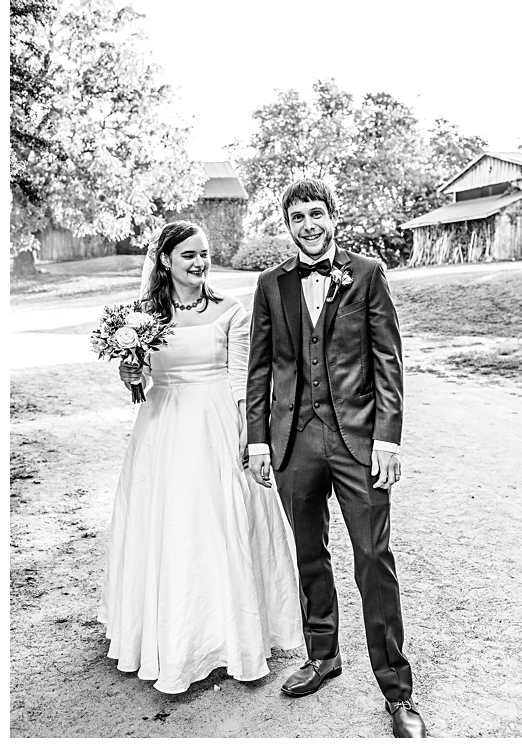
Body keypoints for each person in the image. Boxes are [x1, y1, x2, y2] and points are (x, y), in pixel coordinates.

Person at [245, 179, 425, 738]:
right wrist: (257, 439)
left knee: (374, 556)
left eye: (316, 213)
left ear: (333, 216)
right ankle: (323, 656)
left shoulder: (368, 274)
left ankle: (397, 692)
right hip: (294, 442)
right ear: (288, 224)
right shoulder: (270, 285)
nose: (308, 224)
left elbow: (388, 362)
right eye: (297, 216)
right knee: (308, 554)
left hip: (358, 441)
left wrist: (389, 439)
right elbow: (258, 368)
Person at [103, 220, 302, 694]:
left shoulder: (230, 310)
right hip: (164, 428)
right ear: (166, 260)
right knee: (170, 528)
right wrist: (131, 375)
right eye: (188, 254)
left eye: (205, 253)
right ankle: (170, 635)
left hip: (216, 423)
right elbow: (141, 384)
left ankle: (234, 635)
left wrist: (248, 434)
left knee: (224, 525)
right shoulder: (142, 316)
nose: (199, 262)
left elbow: (242, 380)